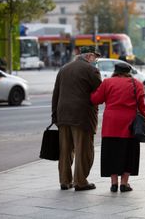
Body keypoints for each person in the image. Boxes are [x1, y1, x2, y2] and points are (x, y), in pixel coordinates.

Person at [90, 62, 145, 192]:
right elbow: (142, 106)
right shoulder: (136, 84)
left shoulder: (107, 83)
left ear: (115, 71)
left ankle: (114, 183)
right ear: (128, 72)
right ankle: (124, 183)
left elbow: (95, 99)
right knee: (129, 154)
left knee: (111, 153)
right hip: (129, 125)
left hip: (111, 125)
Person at [52, 46, 102, 191]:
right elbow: (99, 93)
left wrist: (55, 115)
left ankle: (65, 181)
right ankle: (80, 181)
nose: (96, 60)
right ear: (89, 56)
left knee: (65, 150)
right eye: (95, 57)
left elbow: (56, 94)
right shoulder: (91, 70)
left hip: (63, 115)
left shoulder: (64, 69)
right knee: (83, 149)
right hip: (82, 116)